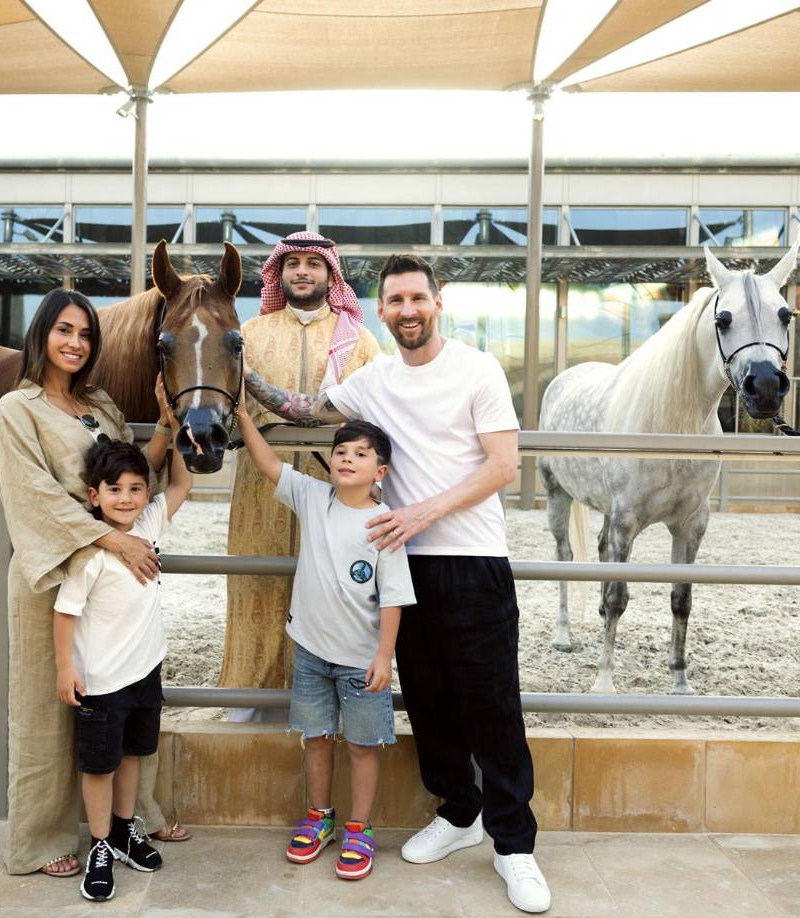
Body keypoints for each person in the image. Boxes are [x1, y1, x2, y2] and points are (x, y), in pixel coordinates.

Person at [244, 254, 551, 913]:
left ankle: (514, 846)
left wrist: (420, 512)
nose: (408, 310)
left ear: (437, 303)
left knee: (491, 703)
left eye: (418, 298)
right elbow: (303, 411)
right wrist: (233, 375)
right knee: (432, 701)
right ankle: (458, 811)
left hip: (471, 559)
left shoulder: (478, 369)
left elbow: (504, 465)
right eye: (395, 301)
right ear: (379, 311)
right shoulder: (373, 379)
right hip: (401, 567)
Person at [0, 289, 186, 879]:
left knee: (126, 690)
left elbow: (132, 469)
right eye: (64, 331)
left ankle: (130, 819)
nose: (75, 343)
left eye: (85, 335)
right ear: (42, 335)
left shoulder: (99, 403)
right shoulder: (17, 408)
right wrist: (113, 540)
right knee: (51, 705)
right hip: (51, 570)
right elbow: (35, 496)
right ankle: (42, 837)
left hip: (115, 575)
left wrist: (169, 425)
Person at [236, 405, 415, 880]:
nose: (347, 458)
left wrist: (384, 656)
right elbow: (270, 463)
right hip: (311, 653)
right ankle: (320, 818)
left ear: (381, 470)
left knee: (361, 746)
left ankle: (360, 826)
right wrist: (242, 417)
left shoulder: (385, 525)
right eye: (340, 451)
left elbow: (394, 599)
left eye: (361, 453)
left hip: (361, 660)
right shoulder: (314, 498)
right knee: (315, 739)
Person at [221, 231, 381, 706]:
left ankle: (320, 698)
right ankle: (247, 701)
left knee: (331, 593)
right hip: (260, 490)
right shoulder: (249, 335)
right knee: (256, 584)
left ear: (330, 274)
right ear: (279, 274)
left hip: (334, 495)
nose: (302, 272)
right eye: (292, 264)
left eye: (314, 263)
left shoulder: (360, 341)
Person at [54, 432, 191, 901]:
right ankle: (98, 844)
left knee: (134, 754)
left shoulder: (150, 525)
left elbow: (180, 486)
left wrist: (176, 435)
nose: (127, 498)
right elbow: (65, 613)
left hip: (146, 672)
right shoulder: (91, 553)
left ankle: (122, 830)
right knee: (99, 765)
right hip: (100, 681)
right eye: (114, 489)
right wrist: (64, 668)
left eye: (135, 488)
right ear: (94, 496)